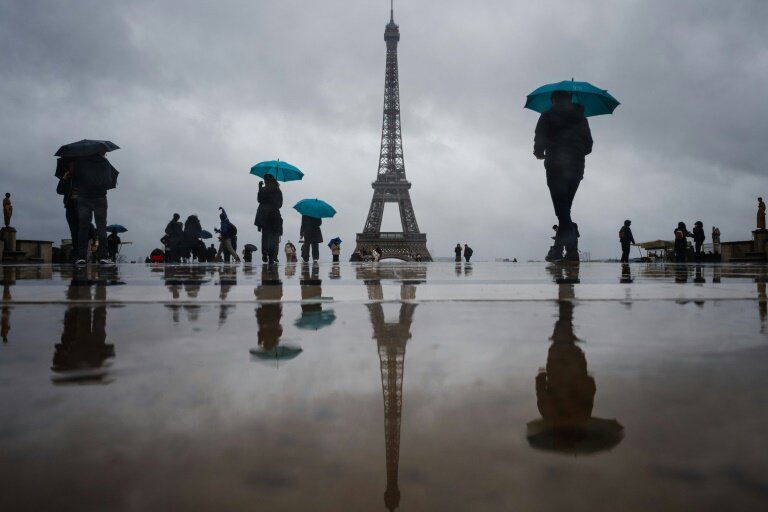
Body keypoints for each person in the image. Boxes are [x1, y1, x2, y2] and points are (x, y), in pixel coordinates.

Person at [534, 90, 593, 262]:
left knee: (562, 210)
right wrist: (576, 152)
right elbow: (589, 145)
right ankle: (557, 250)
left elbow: (540, 138)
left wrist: (539, 152)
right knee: (564, 209)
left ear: (553, 100)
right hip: (576, 168)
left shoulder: (547, 115)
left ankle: (571, 250)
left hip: (556, 167)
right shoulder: (581, 118)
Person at [72, 153, 118, 265]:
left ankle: (81, 257)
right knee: (101, 227)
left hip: (83, 199)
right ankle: (103, 256)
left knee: (83, 227)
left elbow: (76, 180)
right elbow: (108, 181)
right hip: (100, 198)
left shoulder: (81, 163)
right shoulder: (104, 163)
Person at [255, 174, 283, 264]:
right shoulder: (278, 191)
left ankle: (264, 251)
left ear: (265, 181)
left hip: (263, 214)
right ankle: (271, 257)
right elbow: (280, 205)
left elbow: (259, 200)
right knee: (273, 236)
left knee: (265, 235)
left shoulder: (263, 189)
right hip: (274, 215)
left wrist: (259, 188)